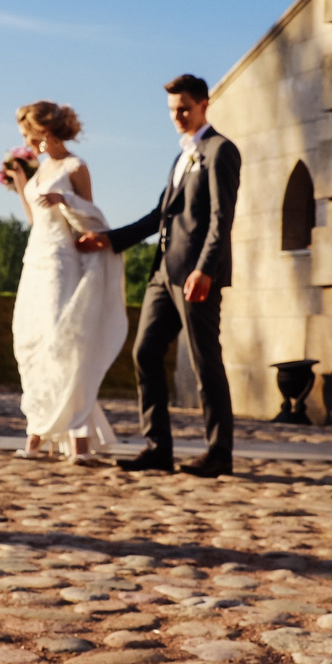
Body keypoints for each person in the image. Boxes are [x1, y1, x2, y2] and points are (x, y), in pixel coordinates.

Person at [76, 73, 239, 477]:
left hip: (197, 275)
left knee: (206, 363)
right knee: (145, 352)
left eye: (184, 108)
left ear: (204, 104)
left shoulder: (220, 151)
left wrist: (205, 269)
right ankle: (158, 448)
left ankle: (219, 452)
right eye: (172, 110)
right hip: (163, 274)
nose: (177, 116)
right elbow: (158, 217)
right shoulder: (181, 156)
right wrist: (109, 239)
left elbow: (221, 219)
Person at [1, 101, 125, 462]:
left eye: (28, 132)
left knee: (62, 339)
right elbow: (34, 219)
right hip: (35, 259)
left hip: (61, 260)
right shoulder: (40, 168)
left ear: (44, 130)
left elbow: (92, 216)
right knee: (31, 340)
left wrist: (65, 198)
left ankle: (78, 438)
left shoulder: (75, 166)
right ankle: (37, 432)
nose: (25, 139)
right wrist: (22, 182)